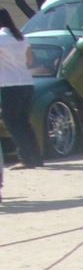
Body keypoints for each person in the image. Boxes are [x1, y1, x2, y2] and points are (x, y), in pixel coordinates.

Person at [0, 9, 41, 170]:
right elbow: (29, 61)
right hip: (26, 82)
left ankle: (26, 157)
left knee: (11, 122)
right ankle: (36, 157)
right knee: (23, 121)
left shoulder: (1, 38)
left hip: (8, 84)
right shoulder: (22, 37)